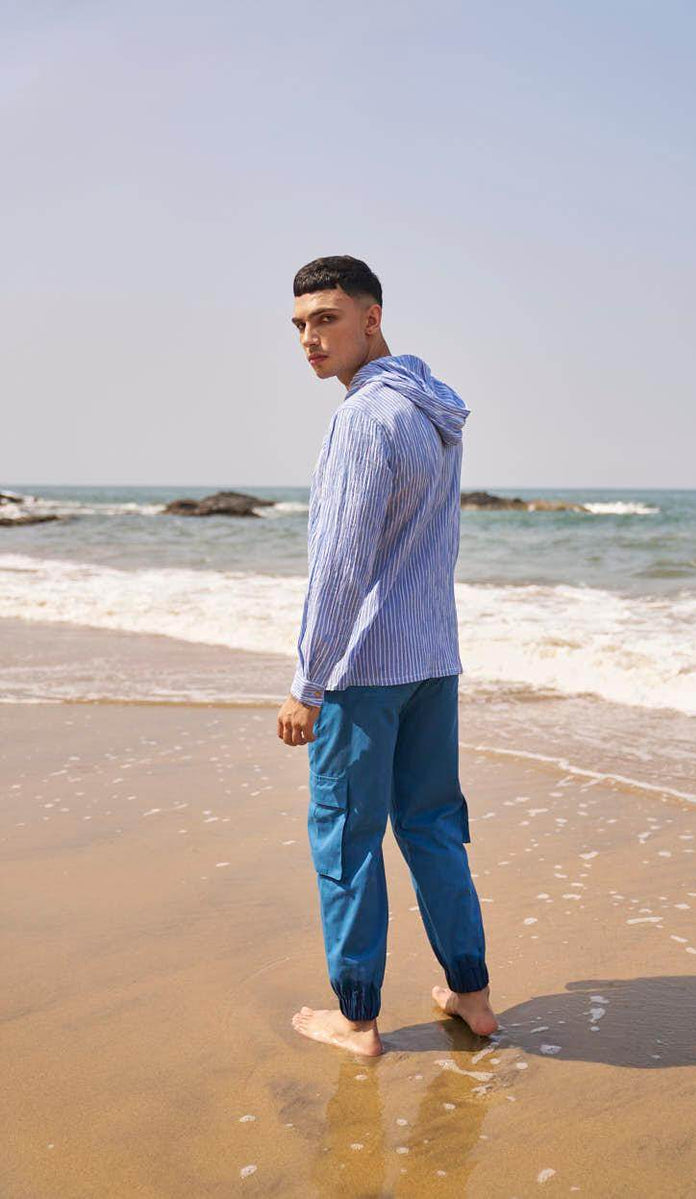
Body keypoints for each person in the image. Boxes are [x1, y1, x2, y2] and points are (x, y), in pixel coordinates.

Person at [277, 255, 497, 1055]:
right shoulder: (431, 406)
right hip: (432, 657)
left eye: (327, 318)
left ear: (371, 318)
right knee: (433, 826)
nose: (311, 338)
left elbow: (341, 564)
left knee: (346, 836)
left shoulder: (365, 418)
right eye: (300, 325)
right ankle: (471, 994)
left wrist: (308, 682)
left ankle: (358, 1017)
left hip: (365, 670)